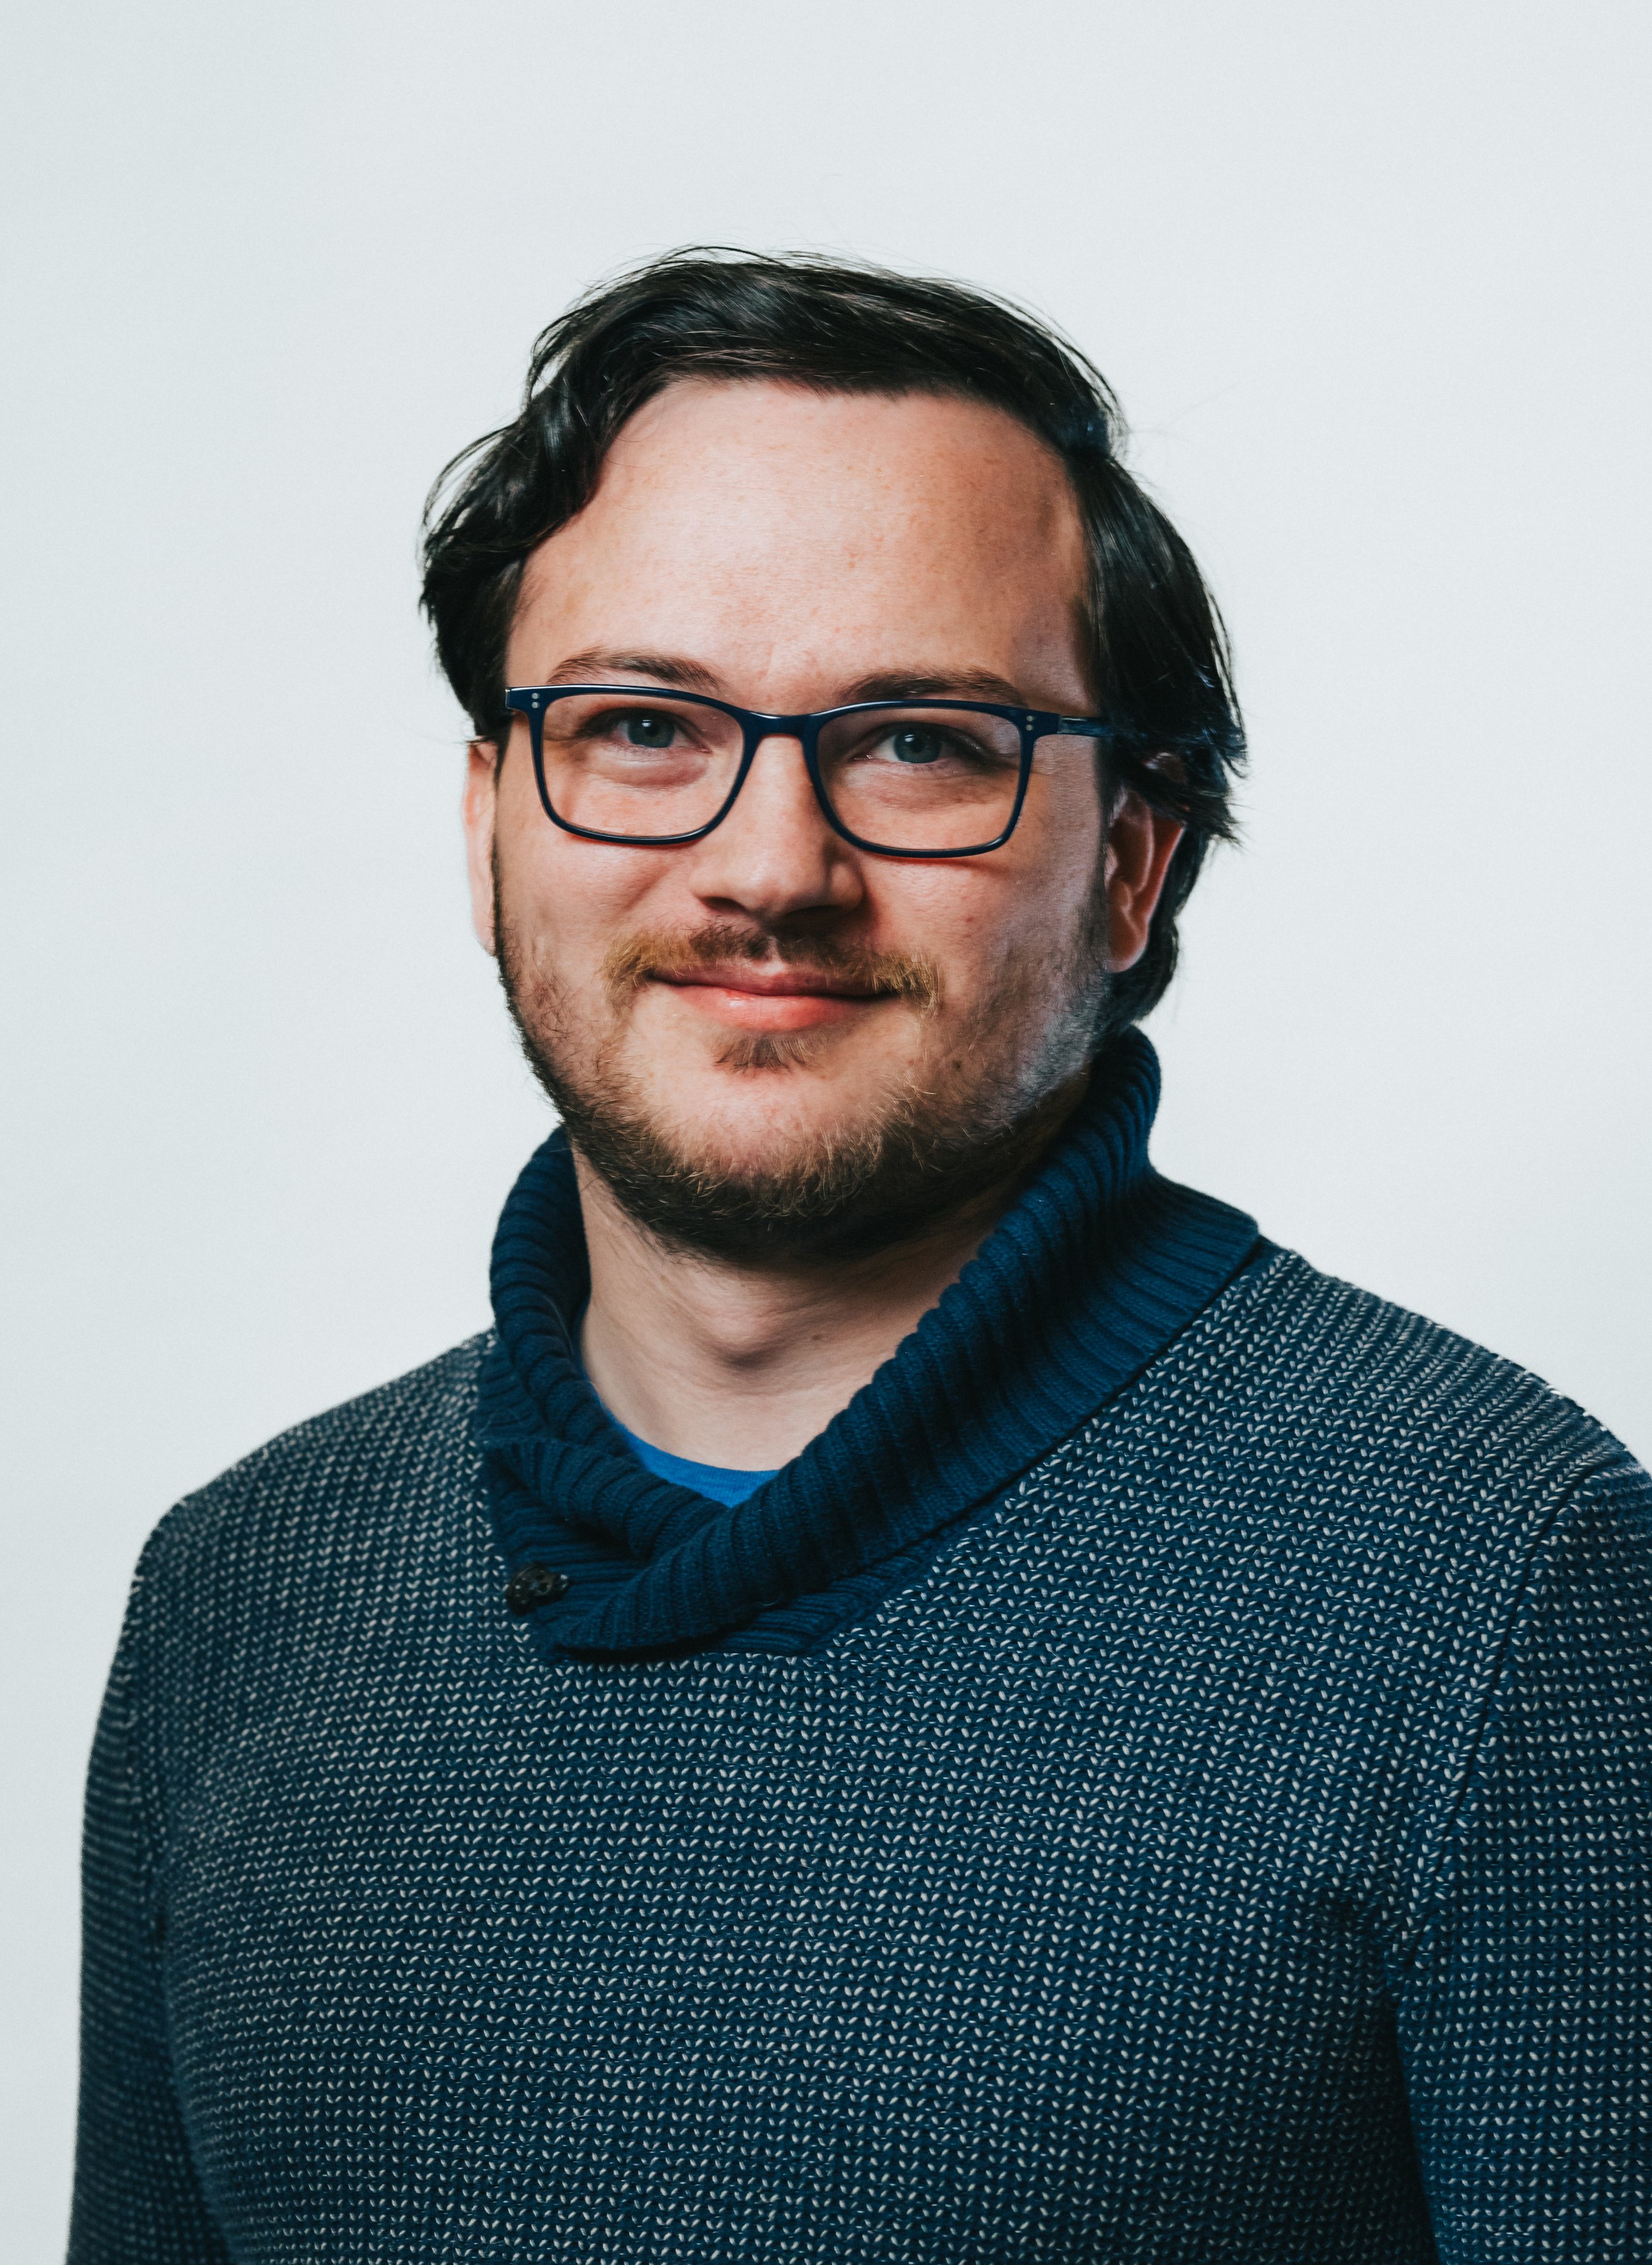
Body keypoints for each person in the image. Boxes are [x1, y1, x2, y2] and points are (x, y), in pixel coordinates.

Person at [69, 251, 1651, 2265]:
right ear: (490, 824)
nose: (767, 868)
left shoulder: (1506, 1591)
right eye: (642, 724)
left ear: (1130, 860)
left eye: (918, 743)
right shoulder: (242, 1594)